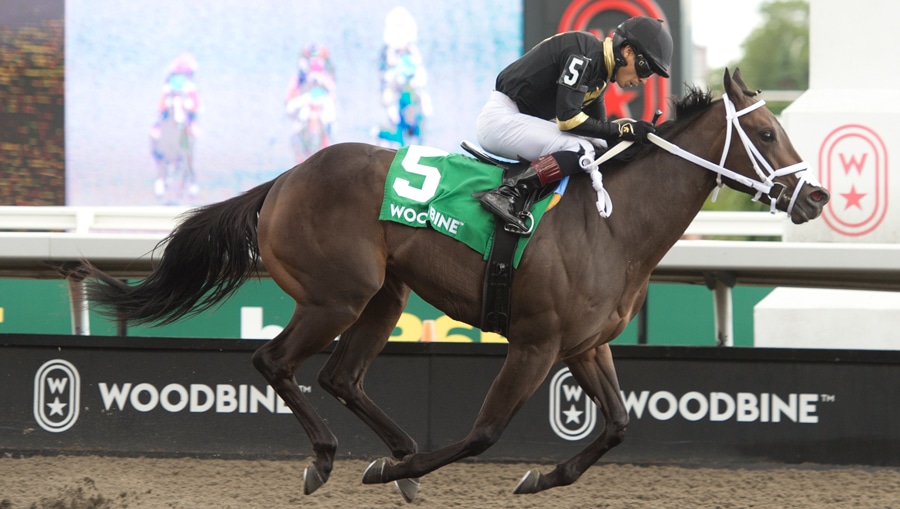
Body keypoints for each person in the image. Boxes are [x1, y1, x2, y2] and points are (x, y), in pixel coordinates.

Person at [476, 16, 673, 231]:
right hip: (501, 119)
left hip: (515, 119)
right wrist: (624, 128)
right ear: (628, 51)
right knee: (581, 149)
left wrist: (636, 140)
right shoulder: (584, 54)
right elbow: (568, 119)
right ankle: (509, 192)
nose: (644, 80)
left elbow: (602, 136)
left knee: (596, 146)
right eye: (646, 70)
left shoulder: (599, 73)